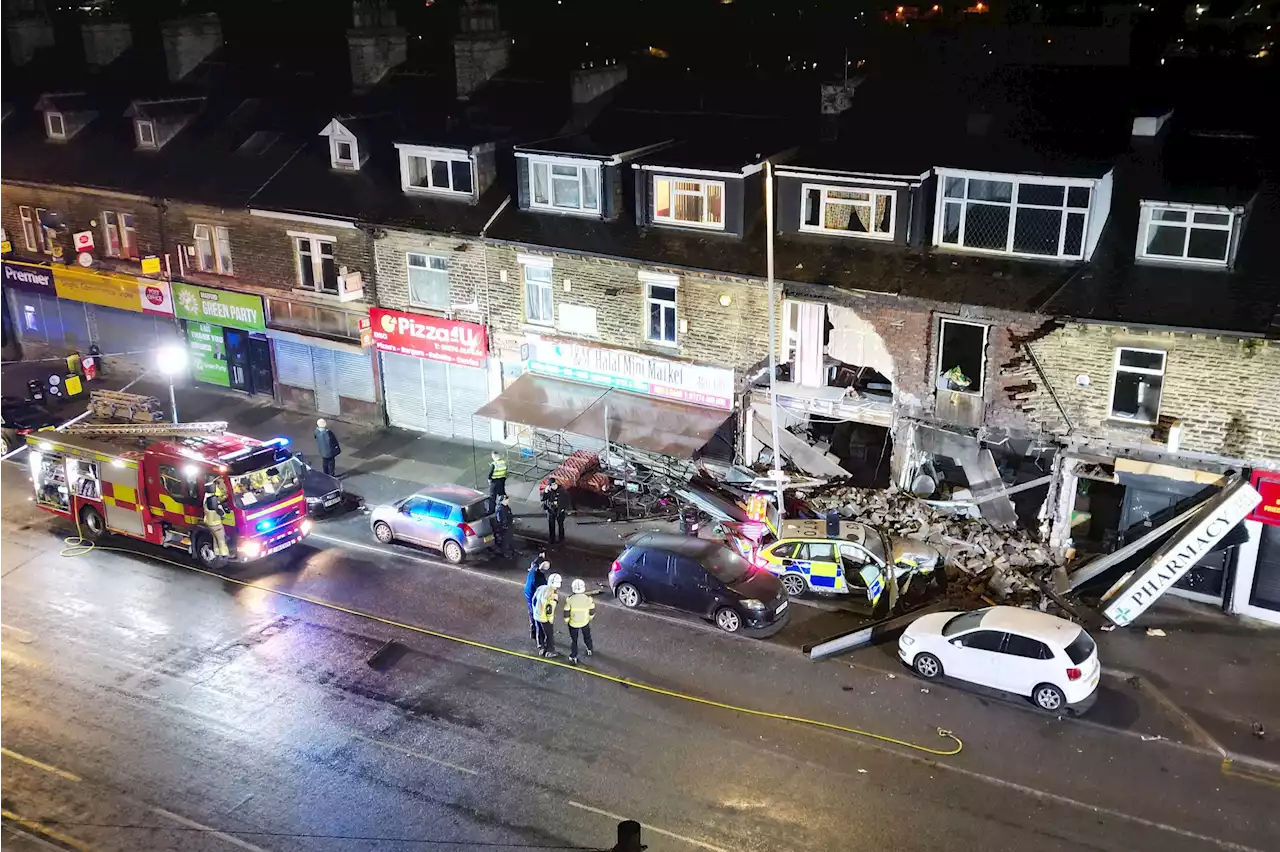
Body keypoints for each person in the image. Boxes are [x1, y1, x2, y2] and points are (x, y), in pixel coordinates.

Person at [564, 578, 596, 665]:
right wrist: (589, 618)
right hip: (585, 622)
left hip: (573, 624)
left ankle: (573, 656)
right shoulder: (588, 599)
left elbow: (566, 613)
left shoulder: (570, 599)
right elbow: (592, 611)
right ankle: (590, 649)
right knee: (587, 636)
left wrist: (567, 621)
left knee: (574, 640)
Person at [531, 572, 562, 657]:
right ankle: (550, 651)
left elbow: (533, 600)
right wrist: (550, 620)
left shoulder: (541, 587)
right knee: (549, 634)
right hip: (544, 618)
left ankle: (541, 647)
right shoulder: (553, 594)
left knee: (539, 631)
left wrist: (535, 611)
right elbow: (549, 609)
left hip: (536, 615)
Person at [523, 554, 548, 645]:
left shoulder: (534, 568)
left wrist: (540, 556)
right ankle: (540, 641)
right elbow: (543, 590)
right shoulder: (539, 579)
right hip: (533, 596)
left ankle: (533, 632)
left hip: (527, 593)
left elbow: (534, 562)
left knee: (531, 612)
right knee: (537, 615)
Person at [203, 481, 230, 560]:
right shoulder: (213, 500)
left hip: (209, 522)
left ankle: (217, 553)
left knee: (215, 538)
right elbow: (222, 512)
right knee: (221, 539)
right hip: (216, 523)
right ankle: (224, 554)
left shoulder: (207, 497)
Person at [541, 479, 567, 544]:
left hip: (559, 510)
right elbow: (543, 499)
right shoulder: (549, 491)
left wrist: (563, 508)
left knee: (560, 525)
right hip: (551, 511)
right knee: (551, 526)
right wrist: (546, 491)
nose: (554, 486)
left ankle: (561, 539)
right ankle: (552, 539)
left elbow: (566, 499)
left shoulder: (561, 490)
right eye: (551, 485)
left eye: (554, 484)